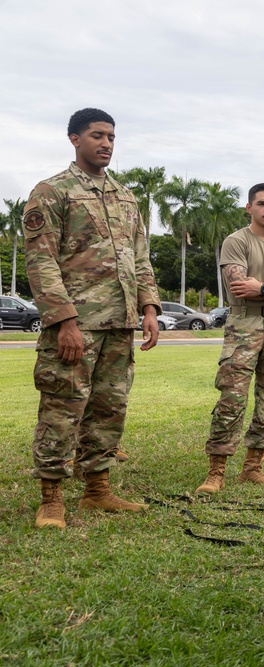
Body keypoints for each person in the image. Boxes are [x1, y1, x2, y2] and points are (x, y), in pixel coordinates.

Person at [23, 108, 161, 529]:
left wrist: (149, 308)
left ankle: (97, 490)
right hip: (76, 325)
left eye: (111, 137)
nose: (106, 143)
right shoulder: (52, 192)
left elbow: (140, 257)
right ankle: (51, 497)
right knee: (62, 408)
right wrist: (63, 321)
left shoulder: (125, 197)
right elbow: (41, 262)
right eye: (97, 135)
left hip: (119, 323)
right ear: (74, 139)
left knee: (109, 409)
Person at [196, 183, 264, 494]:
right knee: (232, 398)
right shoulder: (236, 241)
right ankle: (216, 471)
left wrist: (263, 288)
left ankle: (253, 467)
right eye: (261, 203)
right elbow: (240, 287)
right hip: (244, 323)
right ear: (249, 208)